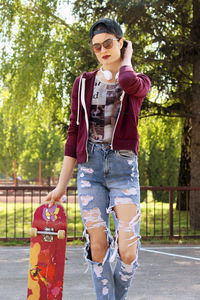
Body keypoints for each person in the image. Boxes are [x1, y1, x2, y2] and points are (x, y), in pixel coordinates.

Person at [44, 18, 151, 300]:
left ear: (120, 42)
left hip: (124, 170)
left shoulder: (138, 82)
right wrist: (61, 185)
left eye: (108, 43)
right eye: (96, 47)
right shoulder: (82, 84)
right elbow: (73, 134)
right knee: (99, 246)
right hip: (90, 170)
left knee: (128, 249)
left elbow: (127, 81)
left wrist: (126, 58)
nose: (102, 50)